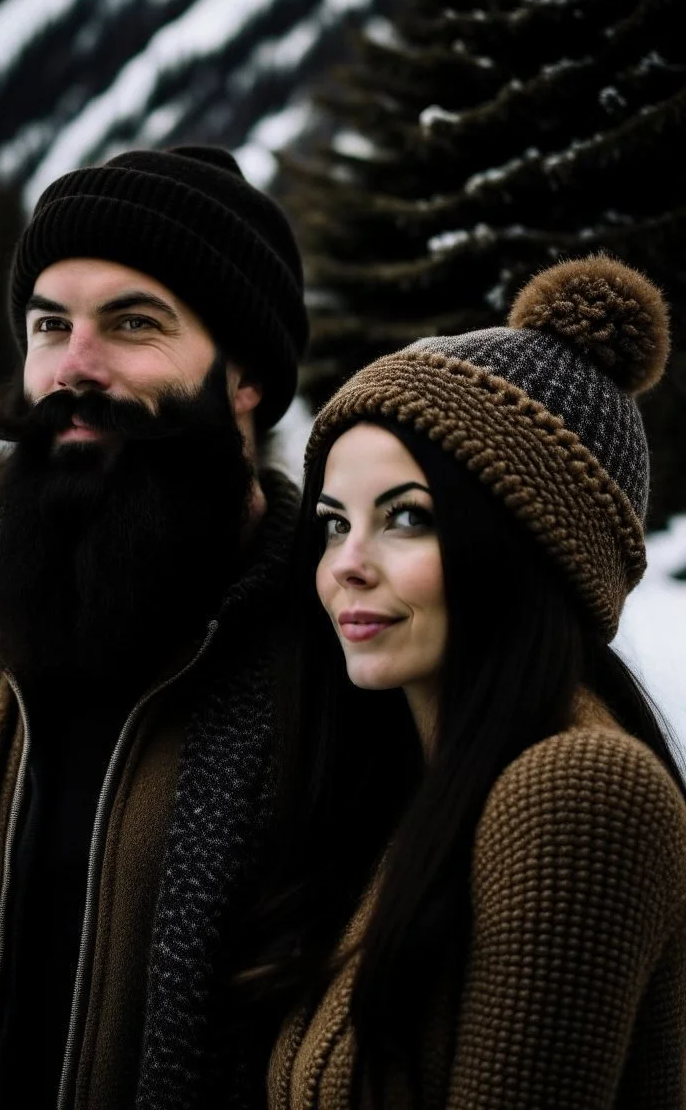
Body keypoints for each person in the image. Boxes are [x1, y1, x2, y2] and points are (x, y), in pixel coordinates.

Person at [0, 145, 309, 1110]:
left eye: (134, 323)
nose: (73, 366)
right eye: (49, 325)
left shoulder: (331, 651)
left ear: (247, 378)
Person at [244, 254, 686, 1108]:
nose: (346, 565)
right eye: (333, 524)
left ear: (530, 548)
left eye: (407, 517)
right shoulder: (420, 790)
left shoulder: (579, 790)